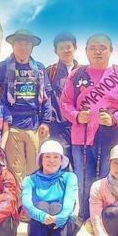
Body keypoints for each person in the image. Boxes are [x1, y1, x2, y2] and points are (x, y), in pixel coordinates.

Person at [59, 33, 118, 222]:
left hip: (111, 139)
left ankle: (108, 220)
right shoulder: (76, 74)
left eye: (102, 47)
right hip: (81, 139)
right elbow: (65, 103)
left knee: (109, 181)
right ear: (86, 51)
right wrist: (77, 116)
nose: (98, 52)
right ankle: (84, 218)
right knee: (83, 181)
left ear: (111, 50)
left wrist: (115, 118)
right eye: (93, 48)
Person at [0, 29, 53, 187]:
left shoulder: (40, 68)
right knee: (16, 170)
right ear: (13, 45)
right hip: (11, 125)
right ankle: (20, 201)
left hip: (34, 125)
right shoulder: (3, 67)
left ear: (32, 47)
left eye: (27, 43)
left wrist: (46, 122)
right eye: (19, 43)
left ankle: (34, 199)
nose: (23, 47)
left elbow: (46, 97)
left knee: (35, 166)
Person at [22, 139, 78, 236]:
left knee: (56, 207)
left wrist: (61, 217)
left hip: (64, 227)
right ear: (41, 159)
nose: (51, 160)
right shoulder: (29, 180)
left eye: (56, 157)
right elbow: (27, 204)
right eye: (47, 156)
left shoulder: (69, 177)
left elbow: (69, 202)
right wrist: (41, 215)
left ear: (61, 160)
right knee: (41, 205)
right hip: (39, 225)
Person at [46, 32, 79, 166]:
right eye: (61, 48)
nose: (66, 51)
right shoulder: (50, 72)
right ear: (56, 51)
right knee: (59, 166)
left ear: (75, 48)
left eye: (68, 47)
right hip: (58, 128)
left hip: (80, 126)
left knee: (80, 166)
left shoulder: (84, 71)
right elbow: (44, 98)